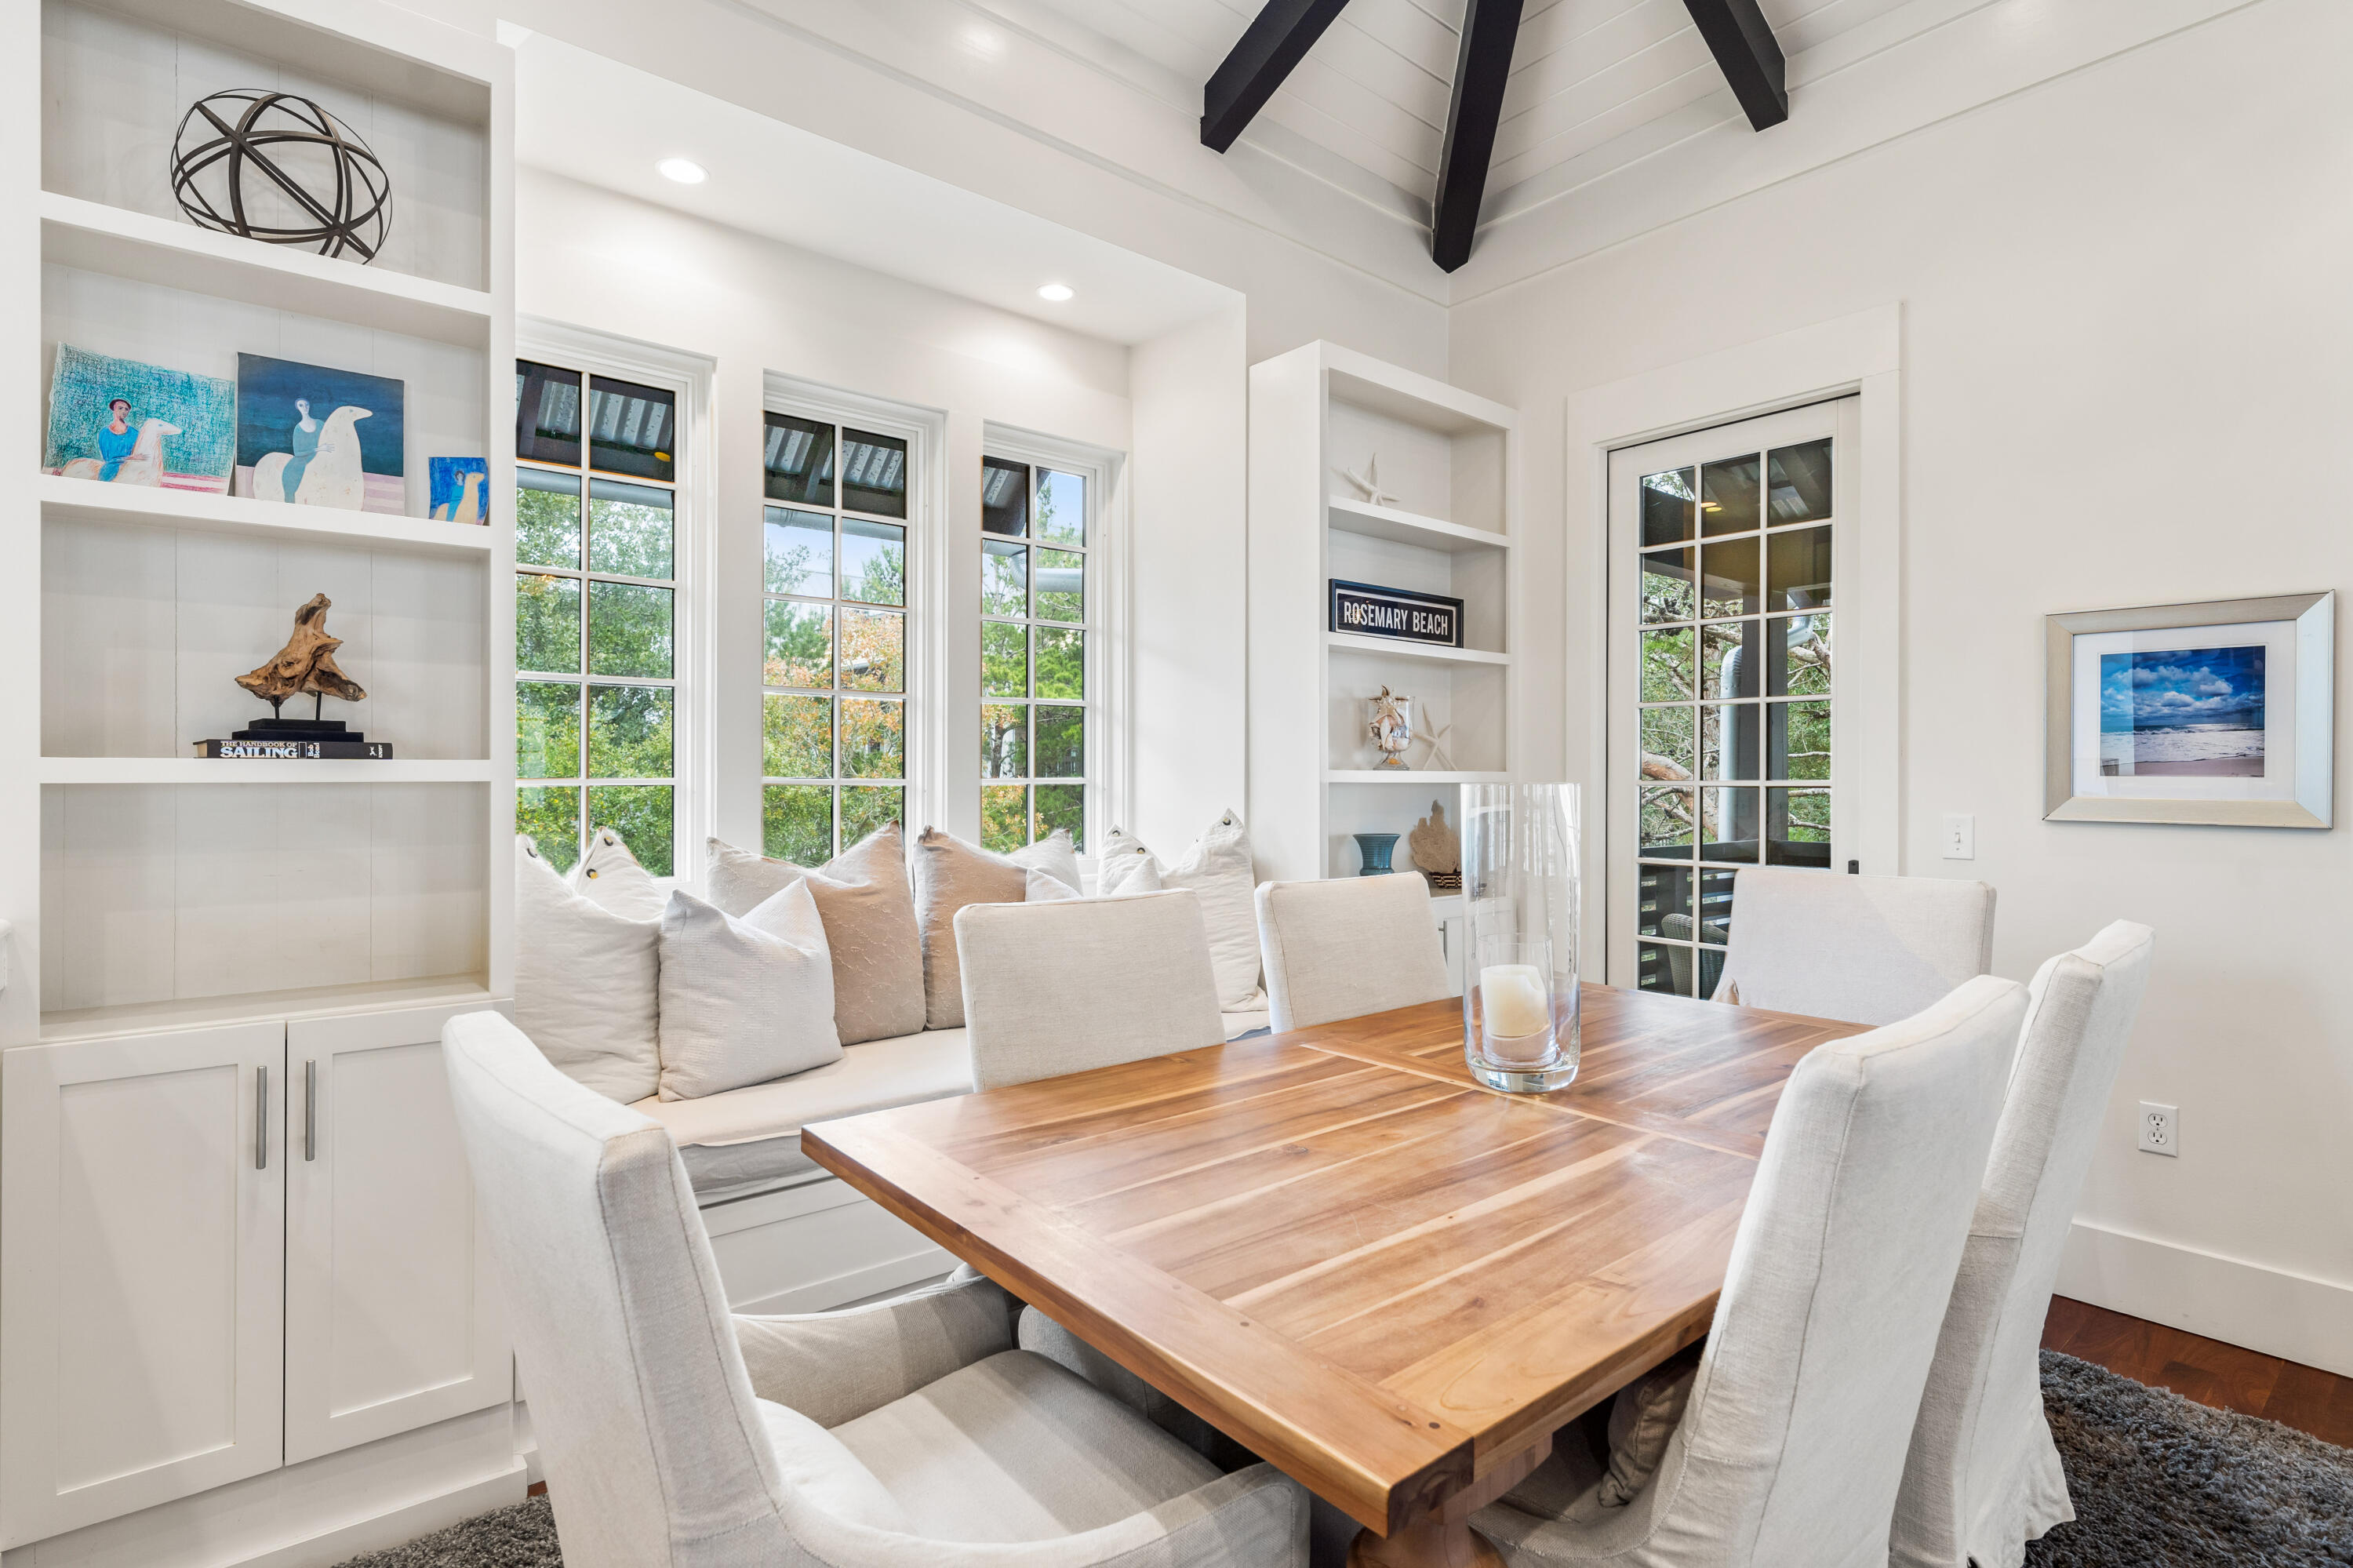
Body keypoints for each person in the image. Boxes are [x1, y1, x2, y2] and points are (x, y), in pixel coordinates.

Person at [281, 397, 321, 498]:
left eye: (306, 404)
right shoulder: (298, 429)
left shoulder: (320, 424)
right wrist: (318, 449)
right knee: (291, 480)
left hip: (321, 457)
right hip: (303, 460)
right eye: (301, 405)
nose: (305, 407)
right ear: (298, 408)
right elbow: (298, 453)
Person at [95, 398, 136, 482]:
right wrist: (129, 458)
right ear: (113, 409)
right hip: (110, 470)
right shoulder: (104, 433)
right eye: (120, 408)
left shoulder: (135, 433)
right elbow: (108, 459)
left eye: (126, 409)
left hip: (130, 470)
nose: (124, 411)